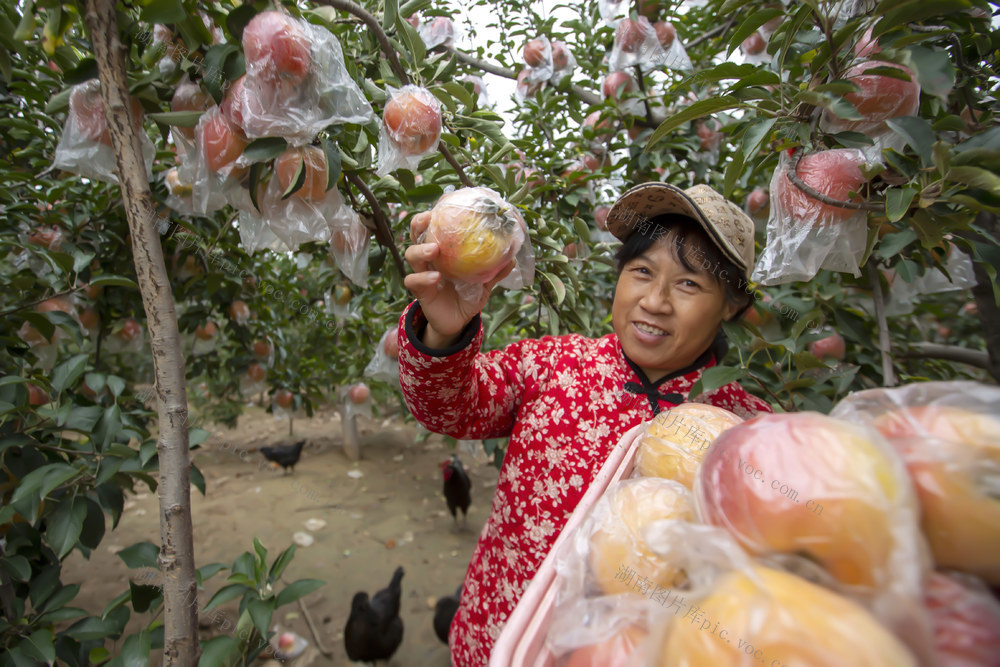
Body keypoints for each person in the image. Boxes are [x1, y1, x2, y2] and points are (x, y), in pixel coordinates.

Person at [396, 182, 773, 665]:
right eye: (641, 271)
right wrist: (443, 330)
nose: (654, 301)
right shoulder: (553, 364)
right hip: (494, 638)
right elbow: (448, 408)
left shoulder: (744, 434)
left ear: (732, 306)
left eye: (689, 284)